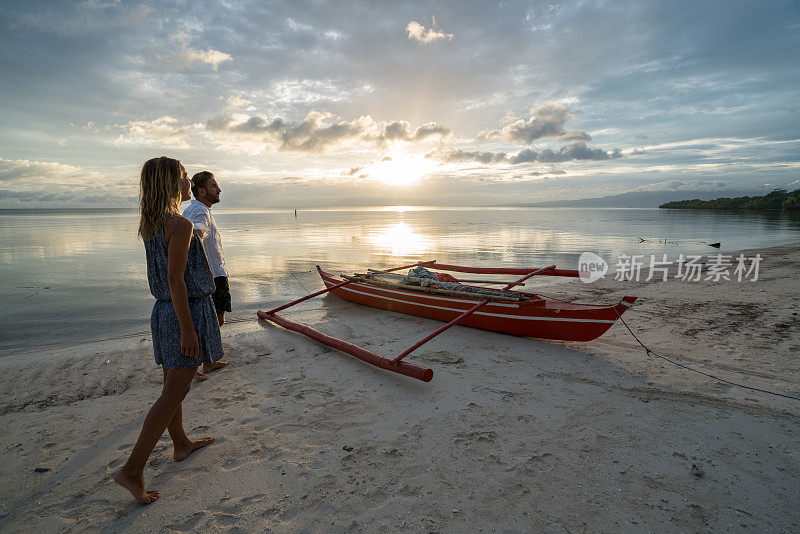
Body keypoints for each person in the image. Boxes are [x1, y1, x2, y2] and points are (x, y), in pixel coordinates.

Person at [113, 157, 224, 504]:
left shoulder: (152, 223)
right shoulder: (178, 224)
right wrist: (189, 331)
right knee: (174, 392)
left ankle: (180, 443)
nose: (189, 181)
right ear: (171, 183)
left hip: (163, 312)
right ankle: (132, 469)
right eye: (184, 177)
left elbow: (168, 279)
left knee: (172, 387)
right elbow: (176, 279)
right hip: (183, 312)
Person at [183, 171, 230, 380]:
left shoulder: (200, 209)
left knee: (214, 319)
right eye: (213, 186)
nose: (218, 190)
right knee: (210, 320)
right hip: (212, 276)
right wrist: (194, 236)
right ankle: (193, 367)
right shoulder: (199, 211)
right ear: (201, 191)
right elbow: (197, 230)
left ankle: (208, 362)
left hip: (214, 273)